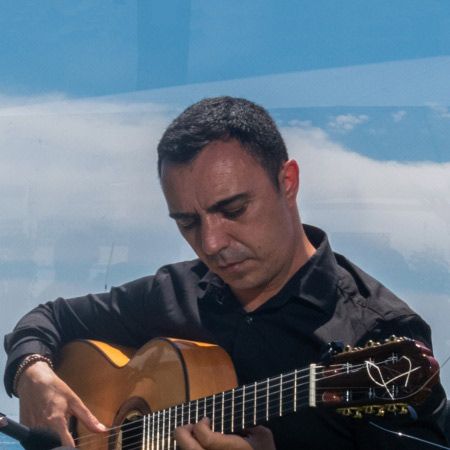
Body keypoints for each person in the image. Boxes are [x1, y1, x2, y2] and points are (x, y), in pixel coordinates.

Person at [3, 96, 447, 449]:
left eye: (232, 210)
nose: (211, 244)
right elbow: (48, 318)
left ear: (287, 182)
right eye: (187, 222)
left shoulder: (377, 336)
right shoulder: (175, 291)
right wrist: (32, 372)